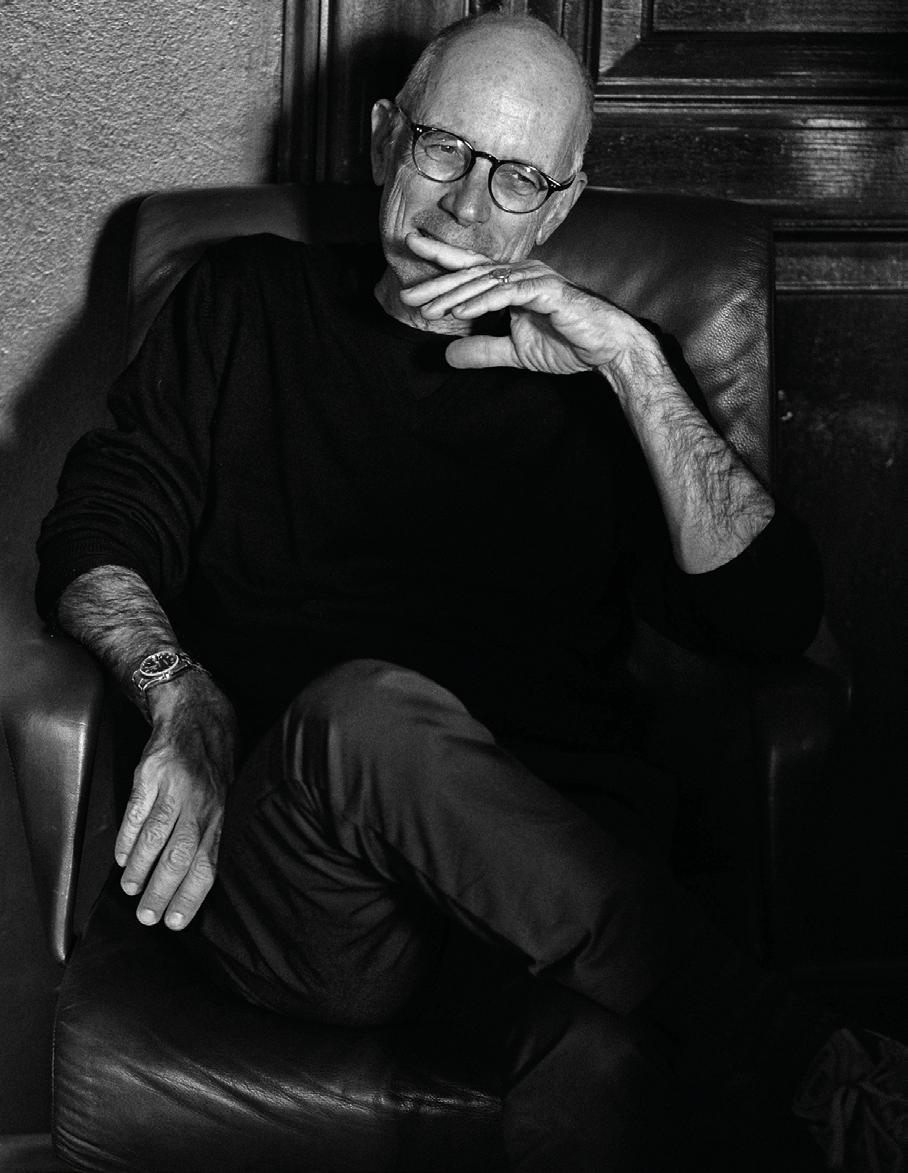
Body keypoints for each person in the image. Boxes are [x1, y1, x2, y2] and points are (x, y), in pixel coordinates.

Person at [36, 12, 906, 1171]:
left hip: (541, 897)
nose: (465, 207)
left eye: (518, 179)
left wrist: (632, 367)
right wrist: (177, 693)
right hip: (311, 887)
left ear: (558, 206)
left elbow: (769, 622)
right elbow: (94, 533)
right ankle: (817, 1070)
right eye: (444, 149)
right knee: (365, 716)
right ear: (383, 138)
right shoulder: (243, 301)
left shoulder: (606, 367)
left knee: (604, 1071)